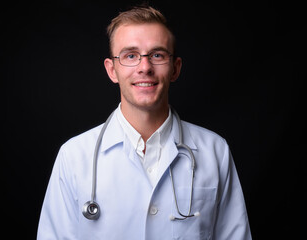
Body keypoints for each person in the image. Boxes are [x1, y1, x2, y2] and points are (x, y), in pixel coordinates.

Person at [37, 5, 252, 240]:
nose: (145, 67)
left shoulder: (215, 151)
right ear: (112, 70)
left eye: (157, 55)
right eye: (131, 55)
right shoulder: (73, 156)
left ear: (175, 69)